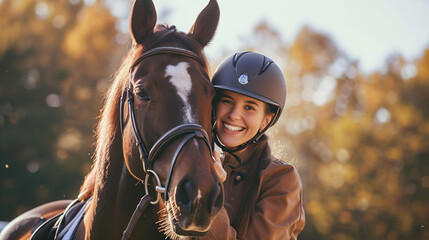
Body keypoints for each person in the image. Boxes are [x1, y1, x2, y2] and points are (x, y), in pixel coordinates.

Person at [204, 51, 305, 240]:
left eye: (249, 107)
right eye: (227, 101)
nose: (234, 114)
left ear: (265, 121)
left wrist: (211, 192)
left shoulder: (282, 179)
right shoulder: (198, 166)